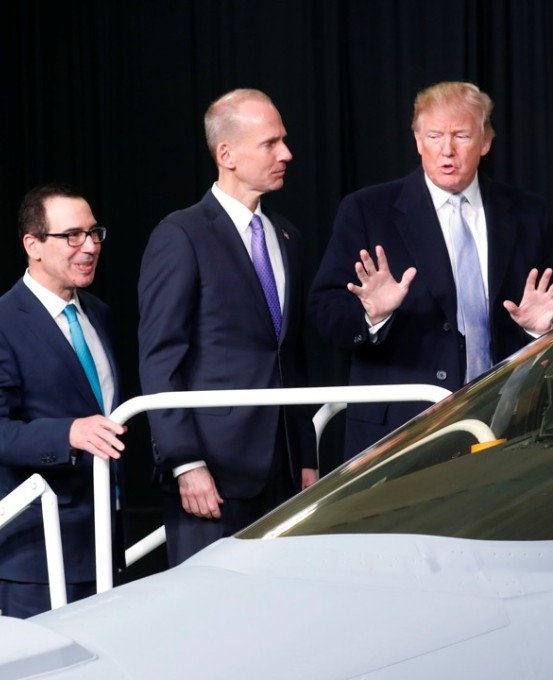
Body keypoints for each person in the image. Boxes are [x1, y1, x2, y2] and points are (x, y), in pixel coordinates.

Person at [310, 81, 553, 458]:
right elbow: (325, 314)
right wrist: (372, 315)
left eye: (461, 135)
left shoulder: (527, 213)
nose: (446, 150)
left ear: (485, 141)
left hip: (507, 425)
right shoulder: (368, 211)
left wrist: (539, 329)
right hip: (402, 432)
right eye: (434, 135)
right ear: (418, 140)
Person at [138, 89, 316, 567]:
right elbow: (160, 359)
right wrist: (185, 463)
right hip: (211, 478)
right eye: (271, 143)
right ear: (227, 154)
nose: (287, 154)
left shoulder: (287, 236)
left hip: (282, 473)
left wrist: (305, 455)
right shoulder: (180, 235)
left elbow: (290, 356)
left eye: (285, 141)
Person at [0, 184, 126, 618]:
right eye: (72, 235)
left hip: (106, 544)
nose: (89, 247)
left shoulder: (100, 314)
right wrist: (69, 432)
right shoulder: (3, 321)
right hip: (38, 554)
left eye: (94, 233)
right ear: (32, 245)